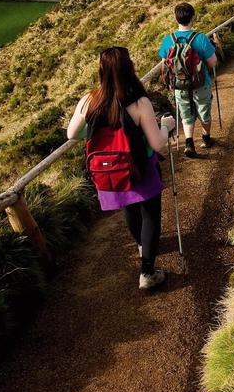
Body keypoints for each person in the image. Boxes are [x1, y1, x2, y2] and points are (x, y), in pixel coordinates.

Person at [67, 46, 176, 290]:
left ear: (101, 71)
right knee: (150, 216)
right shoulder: (138, 102)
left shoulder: (89, 100)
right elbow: (158, 144)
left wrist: (100, 134)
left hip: (110, 170)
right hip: (140, 167)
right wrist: (166, 127)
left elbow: (71, 134)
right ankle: (147, 272)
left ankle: (141, 246)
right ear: (129, 68)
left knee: (130, 207)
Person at [158, 2, 218, 158]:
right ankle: (206, 138)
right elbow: (213, 63)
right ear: (193, 17)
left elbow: (165, 64)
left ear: (175, 18)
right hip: (201, 83)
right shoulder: (201, 39)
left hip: (179, 85)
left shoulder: (168, 40)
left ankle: (189, 143)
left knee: (186, 114)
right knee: (204, 111)